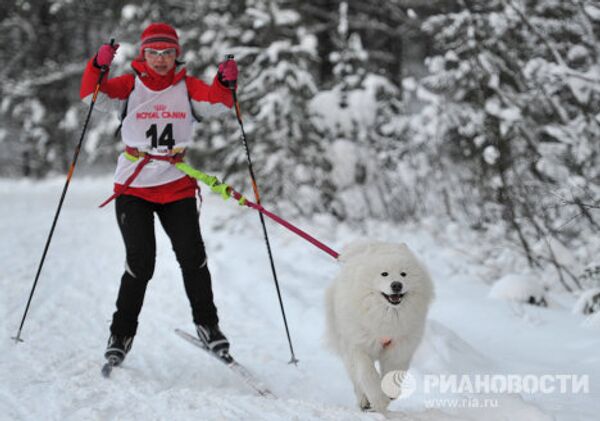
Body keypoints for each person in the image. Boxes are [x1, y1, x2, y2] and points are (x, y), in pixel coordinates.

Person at [80, 22, 239, 365]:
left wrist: (225, 83)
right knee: (141, 263)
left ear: (176, 55)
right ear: (144, 54)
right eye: (155, 52)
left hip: (175, 183)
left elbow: (217, 103)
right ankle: (120, 334)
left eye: (168, 52)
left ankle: (208, 326)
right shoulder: (130, 85)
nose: (162, 59)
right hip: (133, 186)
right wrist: (97, 66)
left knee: (193, 257)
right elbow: (92, 95)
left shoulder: (187, 86)